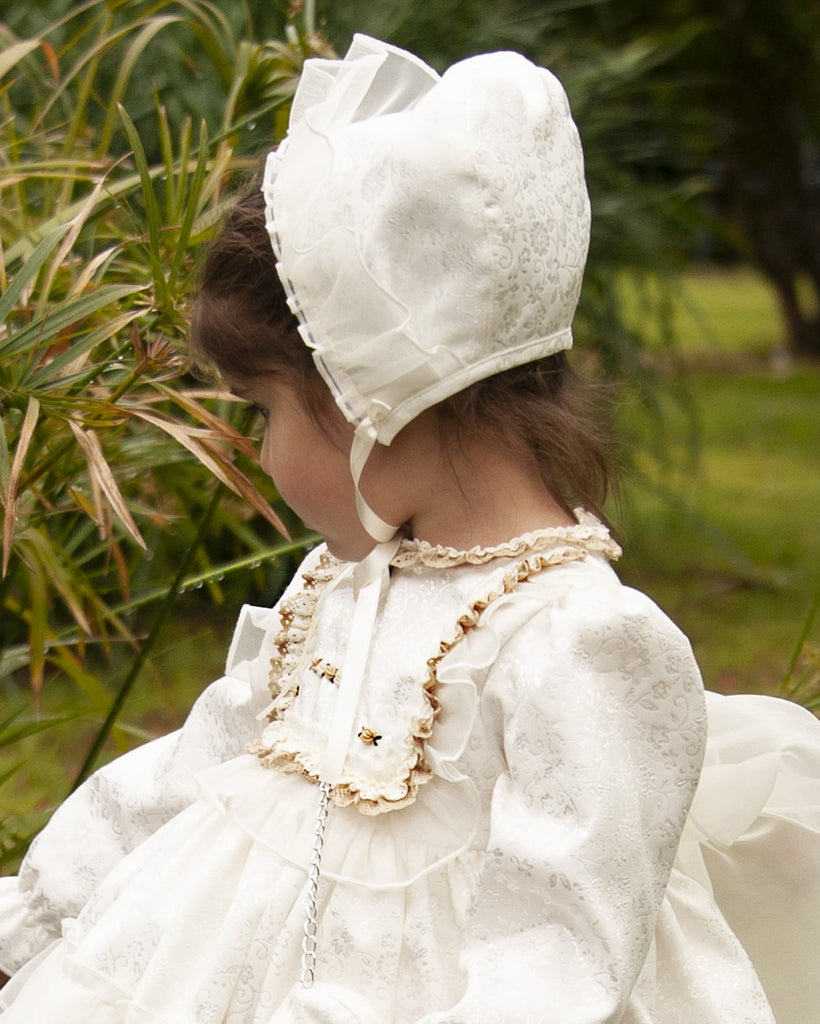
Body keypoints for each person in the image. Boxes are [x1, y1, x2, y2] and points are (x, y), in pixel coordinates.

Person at [0, 34, 818, 1024]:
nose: (260, 453)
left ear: (370, 396)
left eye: (264, 410)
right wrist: (36, 916)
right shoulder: (339, 583)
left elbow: (562, 948)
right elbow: (199, 767)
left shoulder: (580, 643)